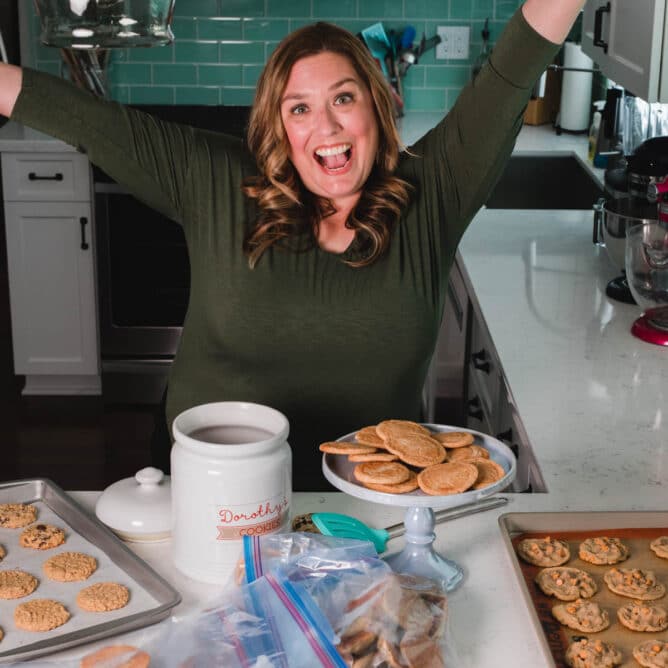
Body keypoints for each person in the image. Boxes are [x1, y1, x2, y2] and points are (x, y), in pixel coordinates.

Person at [0, 1, 586, 490]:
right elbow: (74, 114)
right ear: (280, 127)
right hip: (214, 494)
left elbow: (515, 65)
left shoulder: (433, 193)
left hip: (369, 508)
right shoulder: (217, 181)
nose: (326, 128)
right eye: (300, 108)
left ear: (376, 107)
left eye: (344, 98)